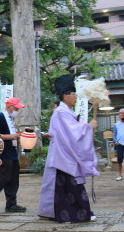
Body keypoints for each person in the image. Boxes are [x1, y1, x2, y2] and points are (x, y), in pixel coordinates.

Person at [38, 75, 99, 223]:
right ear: (65, 96)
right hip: (64, 156)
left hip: (65, 154)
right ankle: (79, 213)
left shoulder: (66, 112)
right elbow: (73, 132)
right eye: (73, 94)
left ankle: (64, 212)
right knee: (71, 187)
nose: (76, 97)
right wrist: (89, 127)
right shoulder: (60, 112)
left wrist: (86, 126)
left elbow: (73, 130)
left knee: (67, 188)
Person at [0, 97, 27, 213]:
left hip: (11, 151)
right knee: (4, 177)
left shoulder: (10, 118)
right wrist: (10, 137)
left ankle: (11, 204)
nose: (18, 110)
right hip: (3, 151)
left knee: (14, 178)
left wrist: (16, 137)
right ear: (10, 107)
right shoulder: (0, 117)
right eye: (17, 108)